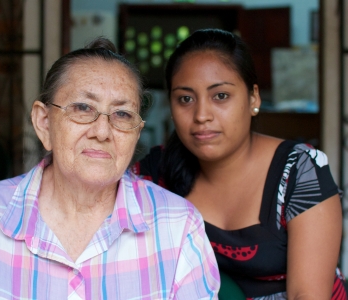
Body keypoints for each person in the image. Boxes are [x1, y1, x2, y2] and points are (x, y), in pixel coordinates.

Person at [0, 37, 220, 299]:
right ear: (44, 122)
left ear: (137, 133)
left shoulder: (178, 224)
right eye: (82, 108)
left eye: (122, 114)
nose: (102, 132)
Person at [132, 28, 347, 299]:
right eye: (185, 99)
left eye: (220, 96)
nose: (201, 115)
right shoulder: (155, 172)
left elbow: (307, 295)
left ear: (253, 98)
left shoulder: (299, 171)